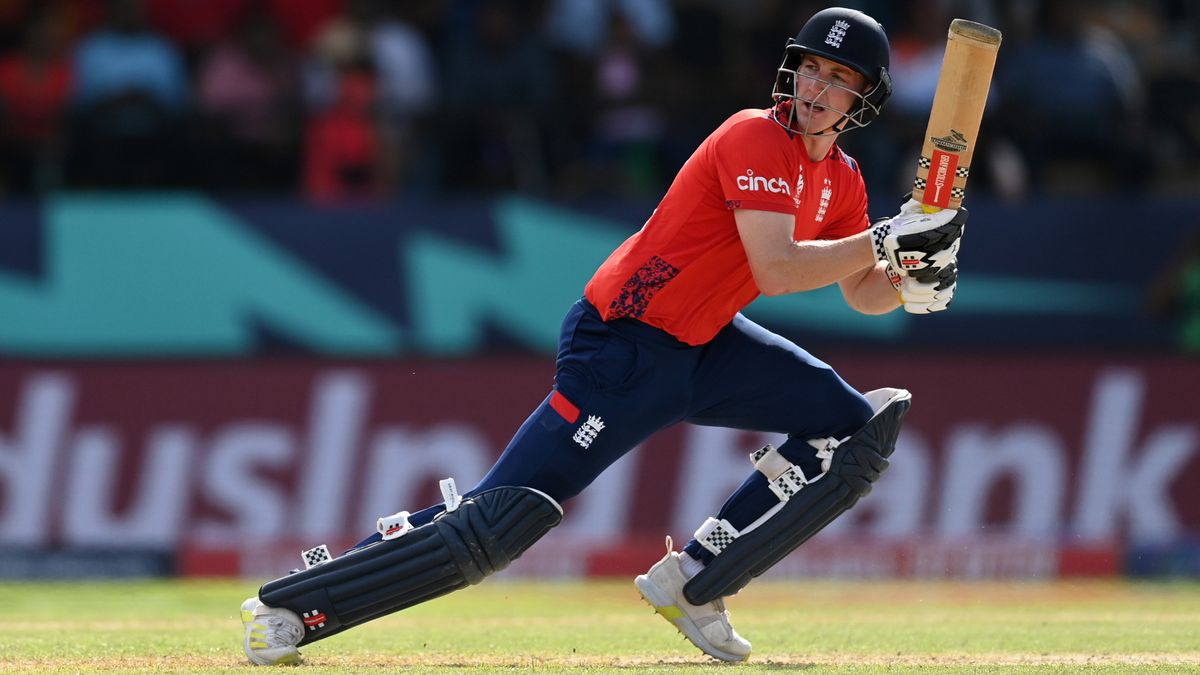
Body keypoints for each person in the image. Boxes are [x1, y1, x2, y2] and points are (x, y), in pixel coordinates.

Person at [239, 7, 964, 665]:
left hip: (707, 345)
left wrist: (913, 274)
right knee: (503, 521)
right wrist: (889, 239)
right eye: (810, 66)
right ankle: (295, 604)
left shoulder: (842, 179)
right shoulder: (754, 136)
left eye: (838, 78)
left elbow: (864, 293)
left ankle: (697, 581)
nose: (815, 87)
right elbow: (775, 270)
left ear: (862, 98)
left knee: (855, 430)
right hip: (622, 347)